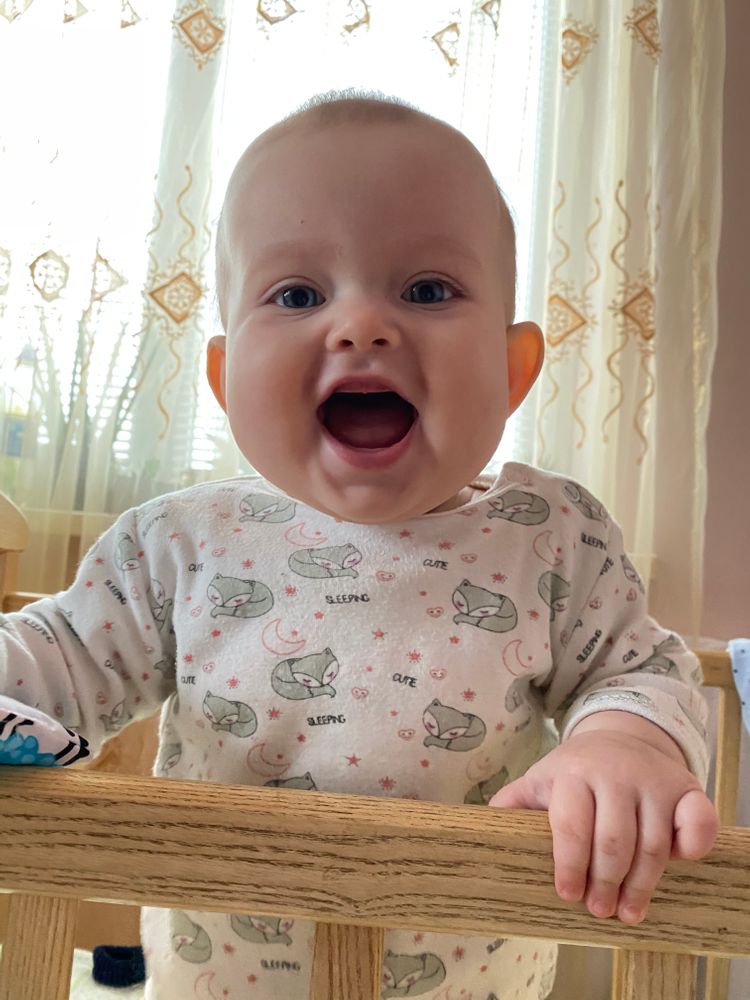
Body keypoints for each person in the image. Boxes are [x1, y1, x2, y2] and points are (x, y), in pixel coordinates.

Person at [0, 91, 717, 1000]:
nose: (361, 326)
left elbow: (637, 670)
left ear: (512, 369)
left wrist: (623, 743)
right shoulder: (177, 546)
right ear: (225, 378)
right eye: (298, 295)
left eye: (427, 290)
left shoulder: (551, 538)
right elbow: (58, 661)